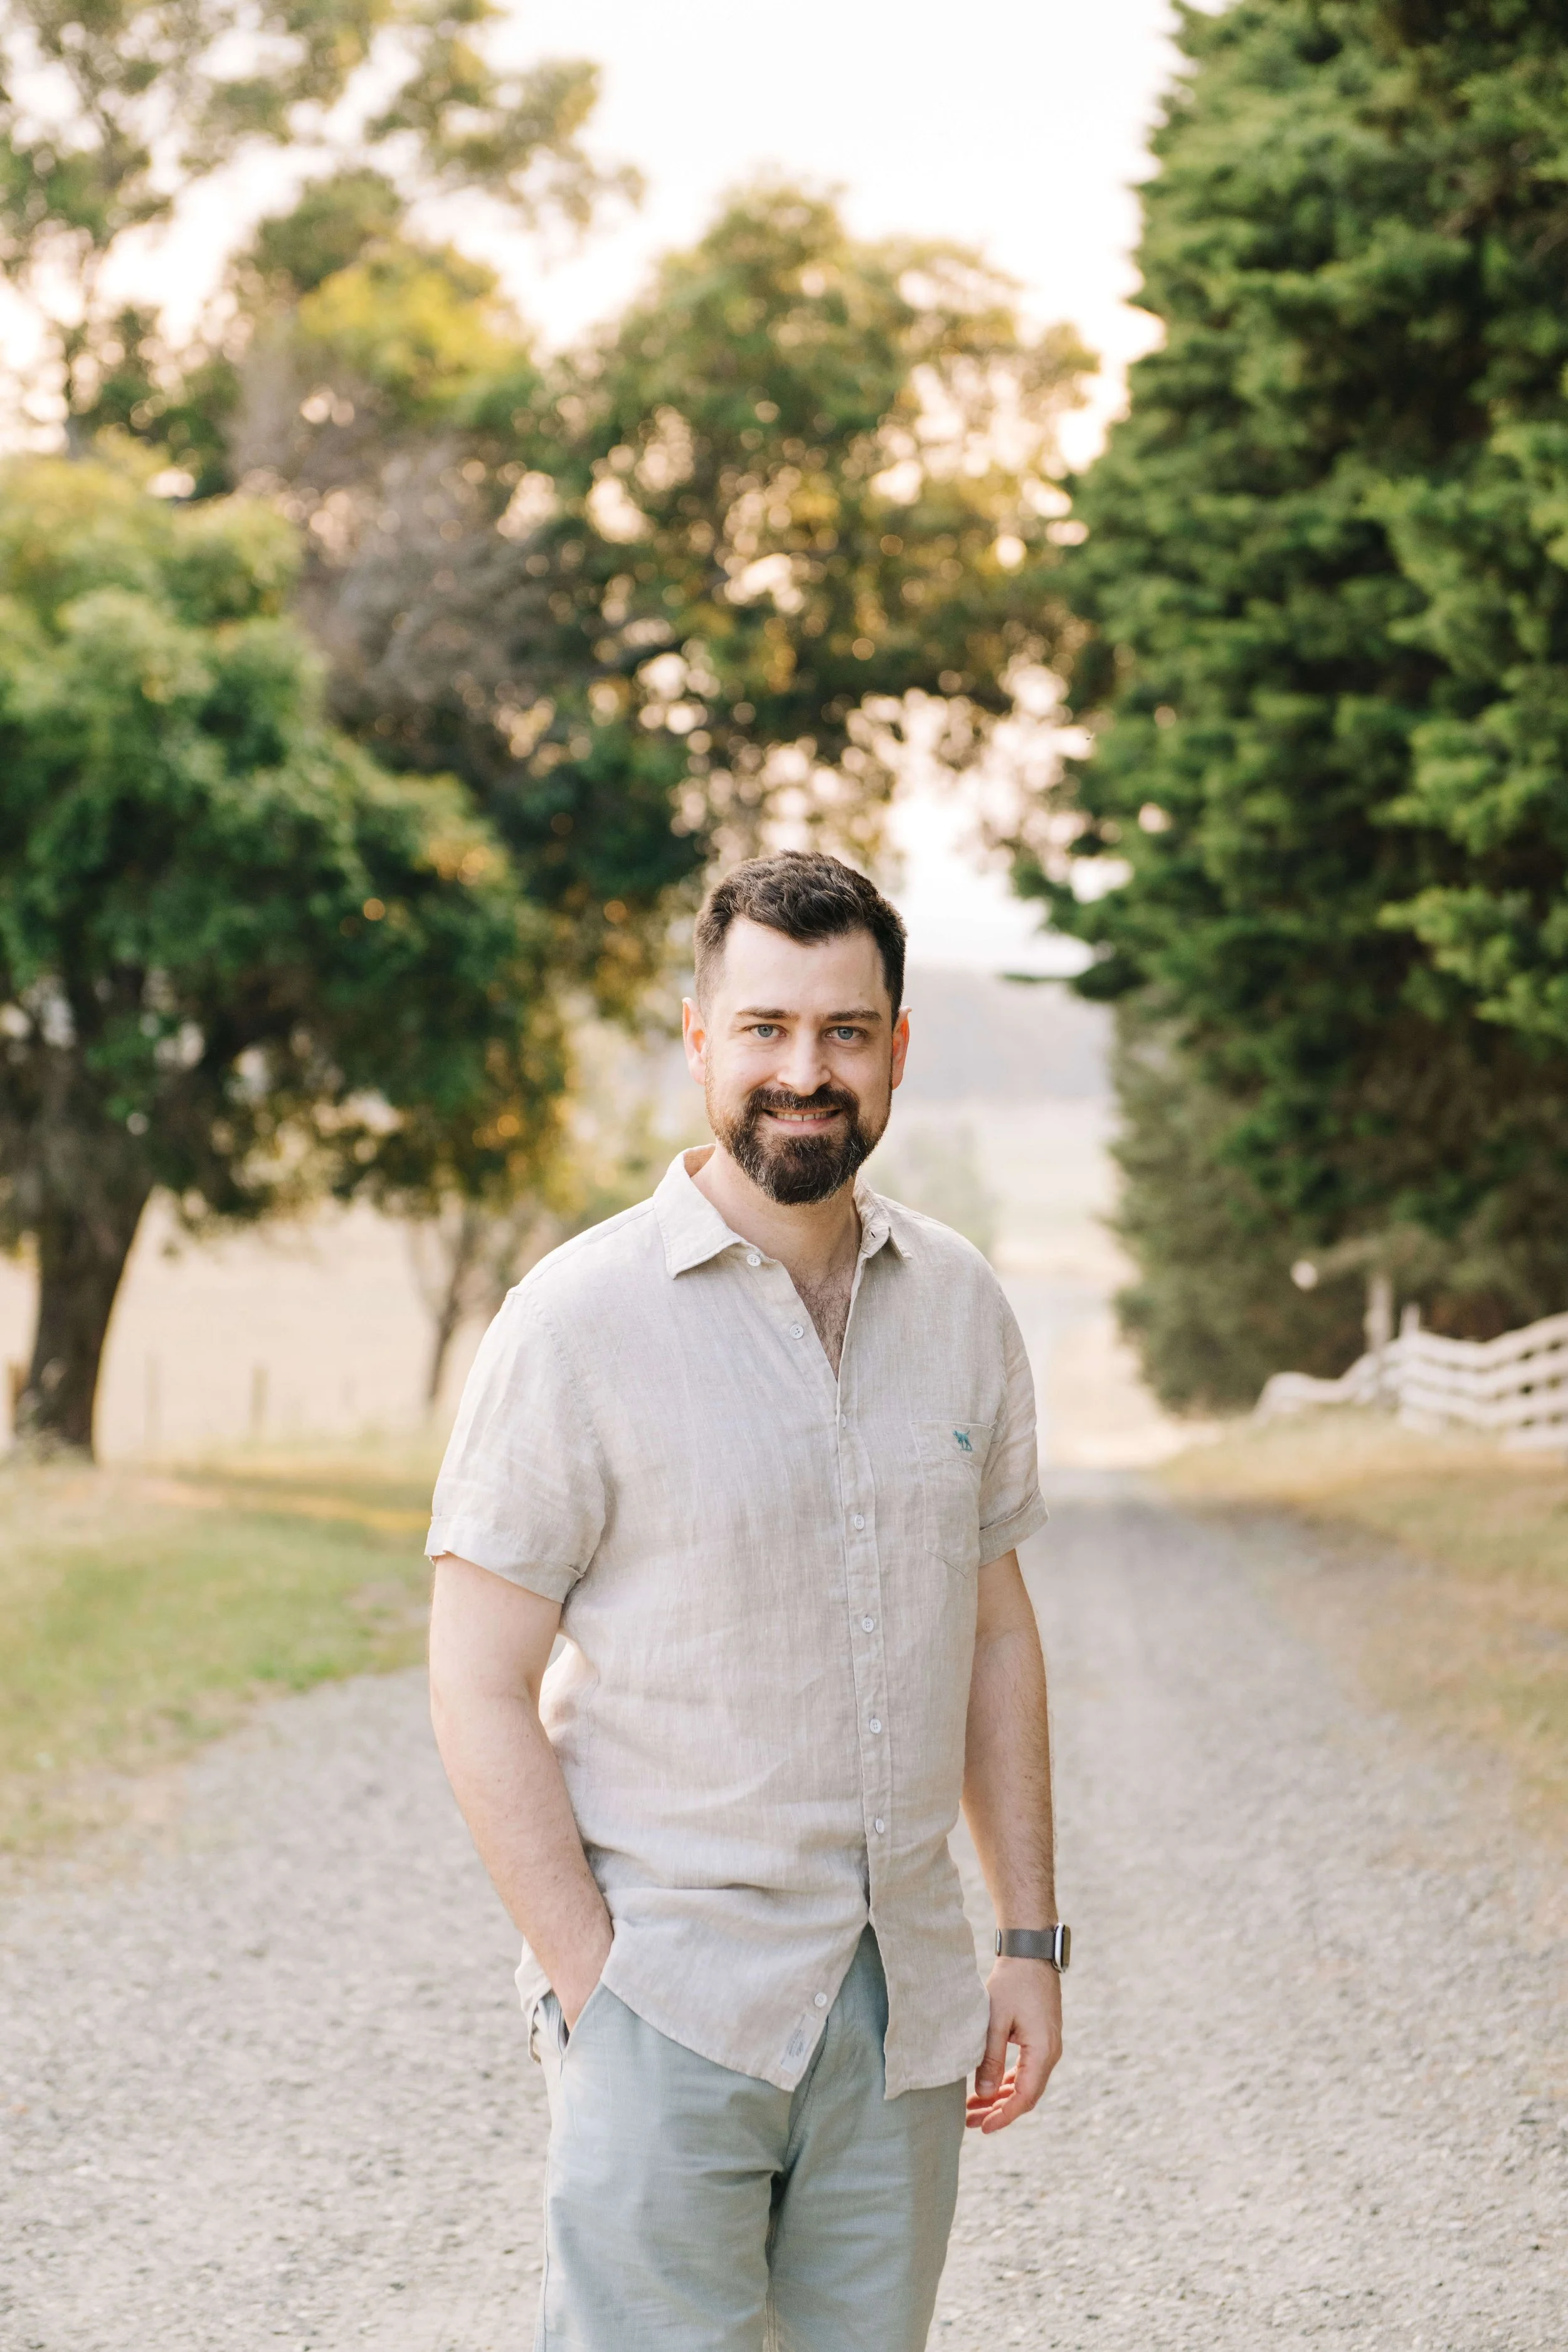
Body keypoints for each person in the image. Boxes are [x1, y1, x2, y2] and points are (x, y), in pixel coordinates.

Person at [426, 849, 1066, 2351]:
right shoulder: (574, 1323)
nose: (806, 1071)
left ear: (895, 1051)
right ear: (700, 1039)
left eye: (844, 1032)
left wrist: (1025, 1942)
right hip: (672, 2001)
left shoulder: (962, 1302)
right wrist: (597, 1984)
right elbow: (472, 1681)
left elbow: (992, 1635)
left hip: (903, 2014)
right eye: (766, 1029)